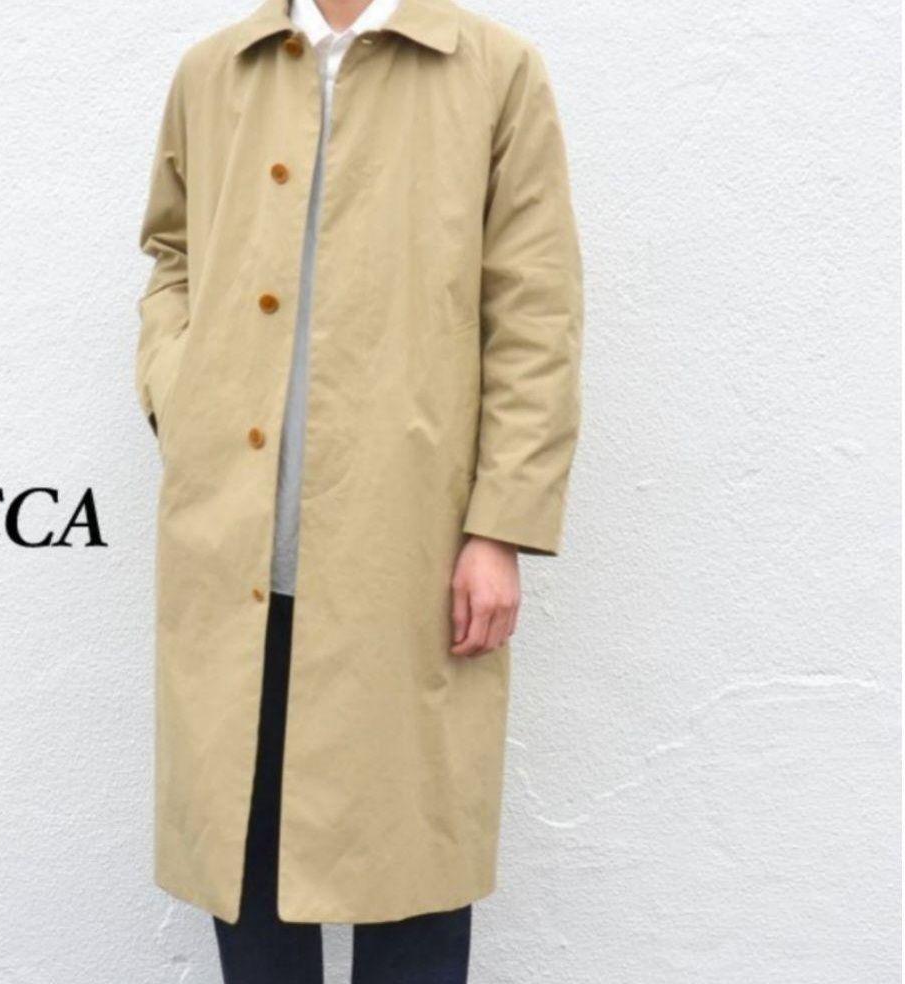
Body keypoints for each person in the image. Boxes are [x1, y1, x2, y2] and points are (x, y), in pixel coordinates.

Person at [135, 0, 583, 978]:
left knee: (412, 872)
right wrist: (182, 388)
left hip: (407, 545)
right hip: (235, 541)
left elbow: (535, 311)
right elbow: (171, 256)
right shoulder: (215, 72)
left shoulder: (494, 71)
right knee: (247, 874)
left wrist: (501, 526)